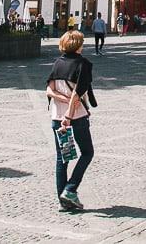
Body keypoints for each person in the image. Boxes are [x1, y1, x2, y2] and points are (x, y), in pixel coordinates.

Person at [46, 30, 97, 211]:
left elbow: (49, 90)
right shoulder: (83, 64)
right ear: (78, 45)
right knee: (87, 152)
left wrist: (62, 100)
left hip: (56, 117)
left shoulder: (57, 63)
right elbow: (77, 94)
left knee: (62, 158)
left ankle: (63, 201)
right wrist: (68, 114)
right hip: (75, 117)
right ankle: (70, 189)